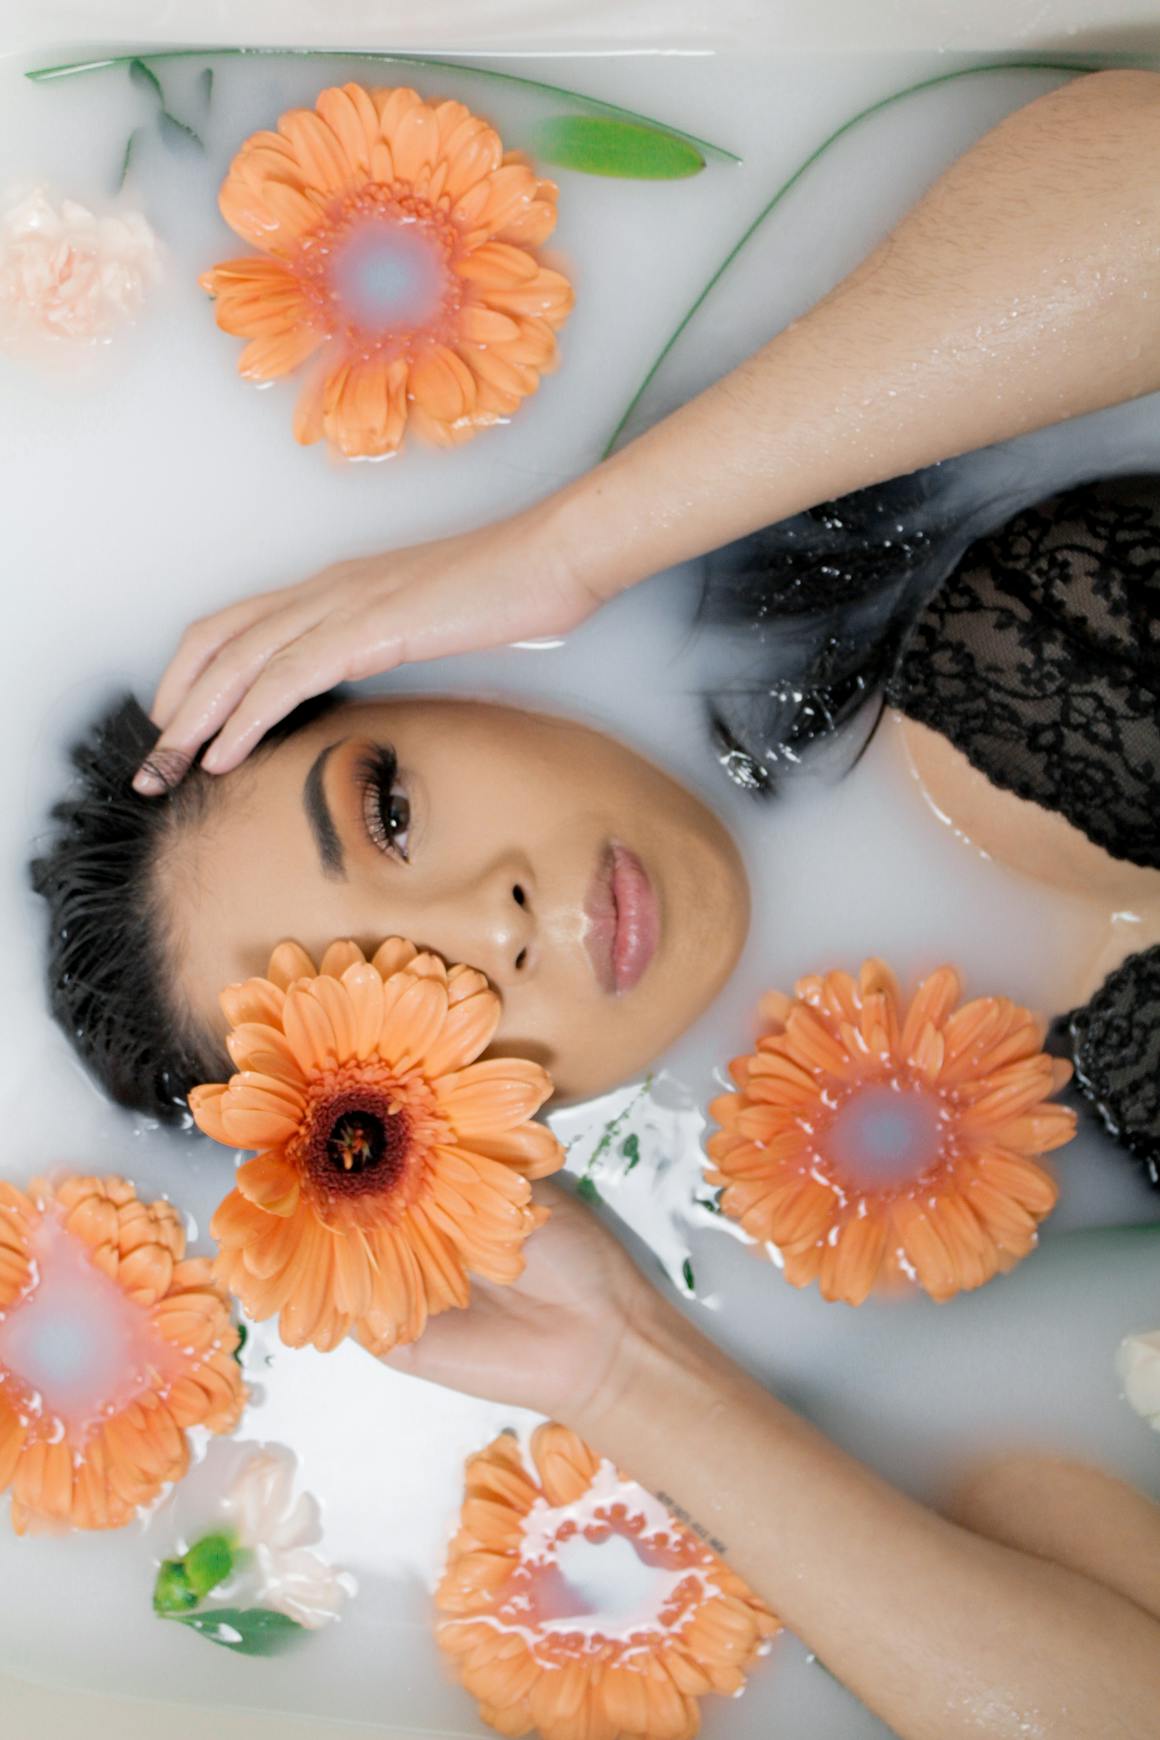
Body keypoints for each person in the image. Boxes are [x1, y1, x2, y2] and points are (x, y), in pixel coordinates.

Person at [27, 67, 1160, 1737]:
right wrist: (631, 1369)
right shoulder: (943, 1265)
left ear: (429, 672)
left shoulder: (906, 621)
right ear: (484, 1146)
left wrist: (565, 548)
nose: (491, 915)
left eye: (389, 804)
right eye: (407, 1019)